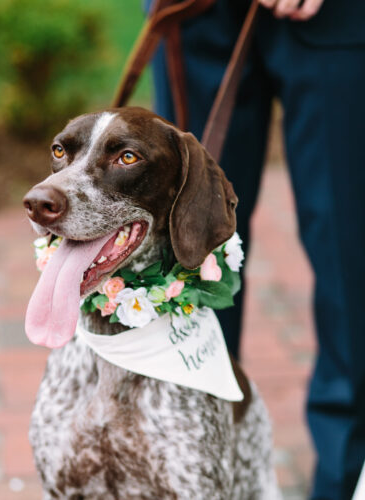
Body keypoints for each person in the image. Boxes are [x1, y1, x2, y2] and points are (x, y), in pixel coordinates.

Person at [148, 0, 365, 498]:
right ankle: (193, 478)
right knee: (185, 259)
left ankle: (346, 481)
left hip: (340, 18)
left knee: (349, 260)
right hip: (196, 14)